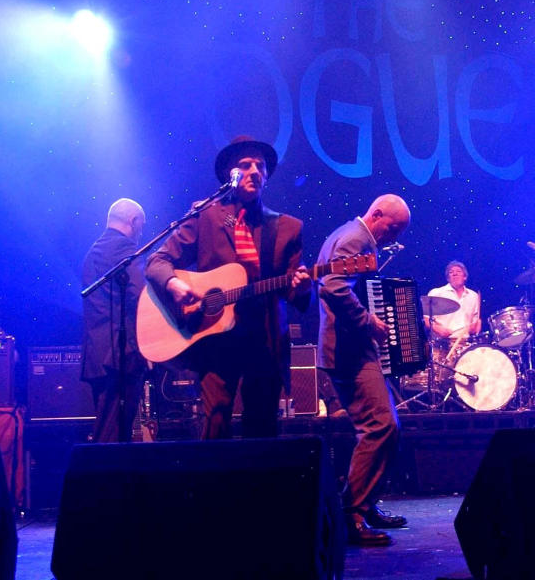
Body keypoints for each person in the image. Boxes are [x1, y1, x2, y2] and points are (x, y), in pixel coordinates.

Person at [145, 136, 311, 439]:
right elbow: (158, 261)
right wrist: (174, 285)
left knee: (261, 426)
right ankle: (215, 486)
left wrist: (301, 289)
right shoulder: (205, 215)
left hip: (265, 338)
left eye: (260, 166)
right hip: (216, 337)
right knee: (216, 421)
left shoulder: (287, 227)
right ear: (229, 175)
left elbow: (292, 287)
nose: (255, 171)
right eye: (245, 165)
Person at [317, 194, 412, 546]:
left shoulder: (346, 234)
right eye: (394, 228)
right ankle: (352, 513)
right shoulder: (356, 238)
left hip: (351, 349)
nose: (395, 237)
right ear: (377, 214)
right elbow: (332, 286)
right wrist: (367, 322)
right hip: (348, 352)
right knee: (381, 426)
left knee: (387, 426)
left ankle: (364, 504)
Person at [81, 198, 147, 443]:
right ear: (134, 221)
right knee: (113, 434)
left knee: (109, 428)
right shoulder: (123, 248)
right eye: (142, 227)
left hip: (98, 356)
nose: (141, 234)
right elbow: (141, 295)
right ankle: (101, 480)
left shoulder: (94, 251)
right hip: (119, 356)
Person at [426, 261, 482, 376]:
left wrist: (476, 326)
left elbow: (475, 323)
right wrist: (437, 329)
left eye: (458, 271)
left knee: (463, 380)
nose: (454, 274)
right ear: (448, 278)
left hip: (464, 345)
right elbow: (426, 319)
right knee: (441, 380)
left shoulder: (474, 296)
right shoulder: (437, 292)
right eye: (451, 272)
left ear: (465, 276)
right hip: (441, 344)